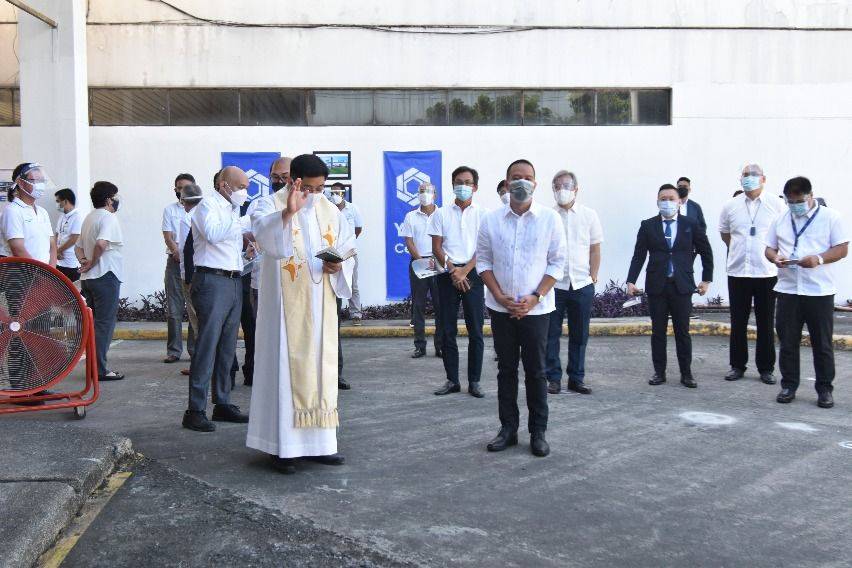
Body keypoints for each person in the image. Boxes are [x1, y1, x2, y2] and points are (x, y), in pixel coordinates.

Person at [246, 154, 355, 474]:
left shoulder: (330, 210)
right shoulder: (269, 205)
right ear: (293, 181)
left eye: (320, 188)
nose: (314, 194)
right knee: (285, 371)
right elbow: (266, 239)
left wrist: (339, 265)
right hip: (284, 311)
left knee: (321, 371)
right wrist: (287, 213)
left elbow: (348, 246)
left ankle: (321, 445)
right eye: (308, 187)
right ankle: (284, 448)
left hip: (320, 304)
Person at [478, 159, 566, 457]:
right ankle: (508, 429)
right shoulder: (491, 219)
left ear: (535, 183)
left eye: (527, 177)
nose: (521, 182)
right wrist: (501, 297)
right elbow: (484, 262)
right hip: (501, 309)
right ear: (506, 181)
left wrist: (535, 297)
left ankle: (538, 432)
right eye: (516, 177)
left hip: (537, 310)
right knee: (506, 370)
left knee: (536, 371)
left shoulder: (549, 219)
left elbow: (557, 262)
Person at [765, 176, 848, 408]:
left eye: (798, 201)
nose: (794, 205)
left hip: (818, 291)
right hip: (788, 289)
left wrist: (819, 259)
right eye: (789, 201)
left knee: (822, 343)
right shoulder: (780, 218)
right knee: (787, 342)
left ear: (810, 196)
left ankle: (824, 389)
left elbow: (842, 249)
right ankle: (789, 385)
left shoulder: (831, 217)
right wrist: (775, 257)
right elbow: (769, 248)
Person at [182, 166, 251, 432]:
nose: (245, 192)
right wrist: (240, 220)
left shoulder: (232, 211)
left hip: (233, 279)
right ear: (224, 185)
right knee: (207, 345)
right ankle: (195, 409)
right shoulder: (207, 206)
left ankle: (222, 403)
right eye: (242, 186)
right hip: (211, 281)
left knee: (227, 347)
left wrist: (247, 252)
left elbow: (229, 246)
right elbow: (212, 234)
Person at [627, 184, 713, 388]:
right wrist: (631, 280)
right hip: (657, 285)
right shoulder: (647, 225)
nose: (667, 202)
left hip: (682, 286)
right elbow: (639, 255)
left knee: (682, 332)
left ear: (679, 201)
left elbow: (706, 252)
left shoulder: (690, 224)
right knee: (658, 332)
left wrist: (706, 279)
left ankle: (686, 373)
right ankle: (659, 372)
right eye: (663, 198)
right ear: (657, 201)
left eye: (671, 198)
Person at [718, 164, 784, 384]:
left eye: (754, 175)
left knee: (765, 322)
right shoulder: (731, 206)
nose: (749, 179)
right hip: (738, 271)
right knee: (738, 321)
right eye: (745, 175)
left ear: (763, 179)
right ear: (740, 179)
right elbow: (725, 234)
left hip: (766, 272)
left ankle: (766, 368)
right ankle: (737, 365)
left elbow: (784, 233)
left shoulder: (776, 204)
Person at [429, 166, 487, 398]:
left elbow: (485, 248)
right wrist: (454, 270)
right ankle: (452, 380)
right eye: (458, 182)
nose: (463, 186)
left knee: (476, 331)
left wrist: (465, 271)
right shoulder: (440, 214)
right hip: (447, 274)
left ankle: (475, 381)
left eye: (468, 182)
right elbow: (436, 247)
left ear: (475, 186)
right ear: (453, 185)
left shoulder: (484, 214)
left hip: (473, 273)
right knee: (448, 330)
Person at [545, 170, 603, 395]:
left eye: (566, 186)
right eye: (557, 186)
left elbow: (595, 248)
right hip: (555, 285)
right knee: (551, 333)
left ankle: (576, 378)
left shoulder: (589, 215)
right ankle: (553, 378)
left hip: (581, 284)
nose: (562, 191)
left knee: (580, 334)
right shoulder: (548, 216)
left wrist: (594, 275)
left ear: (576, 189)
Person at [76, 181, 125, 381]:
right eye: (115, 196)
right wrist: (93, 262)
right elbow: (101, 243)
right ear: (108, 200)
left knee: (93, 325)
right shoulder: (108, 217)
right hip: (105, 276)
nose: (117, 200)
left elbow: (77, 247)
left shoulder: (89, 217)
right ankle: (100, 370)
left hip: (89, 279)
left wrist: (84, 262)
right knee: (104, 324)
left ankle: (93, 367)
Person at [400, 182, 443, 358]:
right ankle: (420, 346)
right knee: (418, 306)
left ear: (435, 194)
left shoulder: (442, 214)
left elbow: (445, 240)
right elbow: (408, 241)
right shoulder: (410, 216)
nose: (425, 194)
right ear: (417, 194)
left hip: (438, 263)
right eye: (422, 191)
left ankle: (440, 345)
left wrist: (437, 260)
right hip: (418, 262)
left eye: (428, 191)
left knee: (441, 306)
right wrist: (419, 261)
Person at [248, 157, 292, 315]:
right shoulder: (261, 204)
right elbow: (253, 233)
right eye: (275, 177)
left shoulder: (305, 204)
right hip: (265, 278)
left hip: (295, 280)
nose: (279, 181)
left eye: (284, 177)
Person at [162, 173, 196, 364]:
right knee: (174, 310)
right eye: (178, 188)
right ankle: (174, 350)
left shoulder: (201, 209)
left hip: (194, 265)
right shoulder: (170, 210)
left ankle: (193, 350)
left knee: (193, 309)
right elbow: (168, 236)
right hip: (174, 262)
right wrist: (177, 252)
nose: (181, 191)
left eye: (185, 187)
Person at [176, 183, 204, 377]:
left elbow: (188, 250)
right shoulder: (206, 213)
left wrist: (188, 279)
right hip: (204, 274)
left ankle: (200, 365)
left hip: (193, 276)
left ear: (184, 201)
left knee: (197, 322)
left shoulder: (188, 218)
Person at [3, 163, 56, 265]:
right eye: (36, 180)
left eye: (42, 181)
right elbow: (18, 249)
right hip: (23, 276)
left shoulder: (42, 212)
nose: (41, 185)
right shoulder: (12, 211)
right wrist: (40, 274)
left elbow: (52, 245)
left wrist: (51, 273)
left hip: (46, 275)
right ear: (21, 183)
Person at [329, 182, 364, 325]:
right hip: (333, 252)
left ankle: (355, 314)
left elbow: (358, 228)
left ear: (343, 193)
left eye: (338, 193)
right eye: (333, 193)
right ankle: (333, 314)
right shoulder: (328, 209)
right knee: (332, 284)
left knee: (352, 283)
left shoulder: (352, 208)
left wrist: (349, 242)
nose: (335, 195)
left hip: (349, 252)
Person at [54, 188, 83, 282]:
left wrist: (58, 250)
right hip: (59, 261)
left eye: (58, 201)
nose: (57, 204)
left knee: (71, 291)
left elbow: (74, 238)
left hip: (71, 262)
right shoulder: (62, 216)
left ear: (65, 201)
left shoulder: (77, 217)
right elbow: (56, 235)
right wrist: (55, 251)